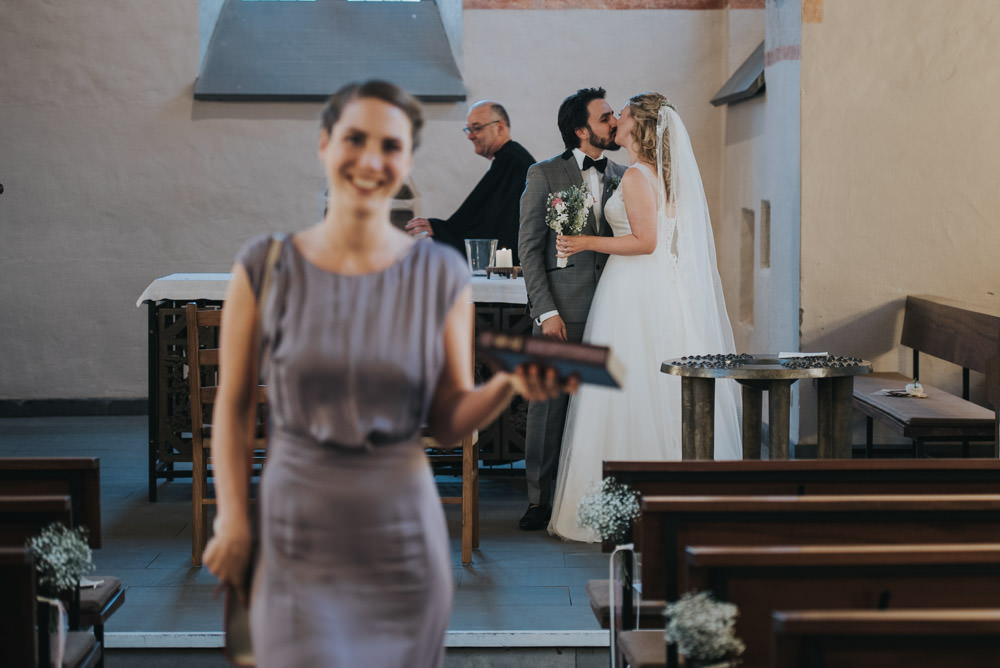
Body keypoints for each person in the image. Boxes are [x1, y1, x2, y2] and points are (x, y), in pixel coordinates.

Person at [202, 80, 574, 667]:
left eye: (392, 144)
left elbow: (449, 424)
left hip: (401, 523)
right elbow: (234, 403)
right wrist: (231, 517)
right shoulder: (265, 263)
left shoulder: (440, 278)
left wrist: (508, 382)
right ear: (327, 145)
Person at [547, 92, 743, 543]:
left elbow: (646, 241)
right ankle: (664, 501)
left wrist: (585, 243)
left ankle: (621, 510)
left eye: (624, 114)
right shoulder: (661, 174)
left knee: (628, 392)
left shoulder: (636, 175)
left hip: (633, 291)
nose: (616, 119)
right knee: (652, 392)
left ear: (639, 126)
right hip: (657, 291)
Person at [517, 87, 627, 531]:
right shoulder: (545, 174)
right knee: (549, 409)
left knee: (606, 405)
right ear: (581, 130)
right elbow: (529, 247)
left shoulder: (624, 175)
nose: (614, 122)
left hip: (617, 307)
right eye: (605, 118)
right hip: (566, 310)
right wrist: (546, 312)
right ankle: (539, 500)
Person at [405, 100, 535, 264]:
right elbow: (486, 214)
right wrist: (443, 229)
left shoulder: (512, 162)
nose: (470, 136)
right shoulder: (510, 158)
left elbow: (491, 221)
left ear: (500, 127)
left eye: (477, 128)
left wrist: (442, 229)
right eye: (468, 129)